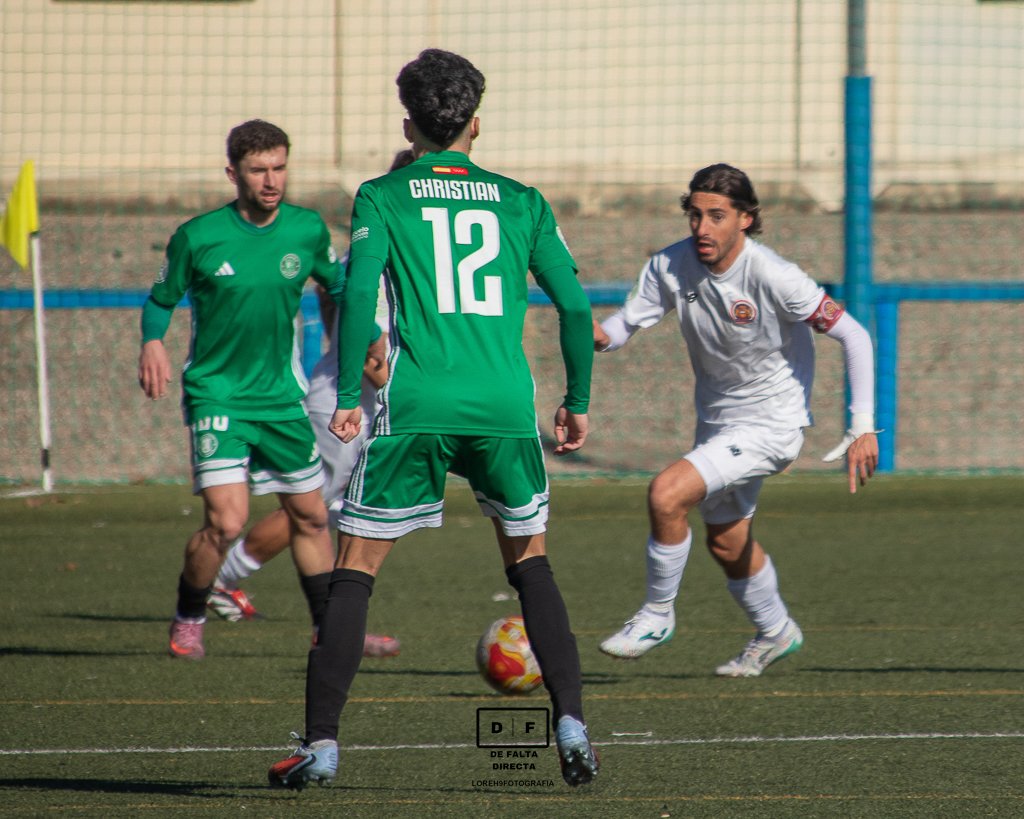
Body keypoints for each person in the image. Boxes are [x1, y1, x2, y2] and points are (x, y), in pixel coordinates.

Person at [267, 49, 599, 790]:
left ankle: (322, 745)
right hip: (505, 406)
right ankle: (573, 723)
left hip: (417, 403)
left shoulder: (382, 195)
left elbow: (357, 297)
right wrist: (576, 401)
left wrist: (347, 395)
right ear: (476, 123)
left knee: (355, 569)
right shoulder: (523, 201)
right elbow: (576, 309)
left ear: (408, 125)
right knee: (530, 564)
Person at [596, 163, 879, 677]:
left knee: (666, 494)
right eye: (695, 214)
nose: (702, 227)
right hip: (717, 422)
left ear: (745, 218)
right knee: (726, 542)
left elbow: (854, 335)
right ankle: (776, 631)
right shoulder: (669, 266)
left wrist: (862, 426)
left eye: (717, 216)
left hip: (772, 424)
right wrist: (597, 334)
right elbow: (624, 325)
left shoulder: (774, 275)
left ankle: (657, 615)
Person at [138, 119, 343, 661]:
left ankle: (331, 632)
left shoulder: (306, 229)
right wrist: (152, 343)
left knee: (312, 517)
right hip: (219, 396)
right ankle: (189, 617)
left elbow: (340, 285)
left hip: (282, 398)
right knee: (226, 523)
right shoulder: (199, 236)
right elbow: (161, 300)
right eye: (258, 170)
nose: (271, 180)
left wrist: (372, 338)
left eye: (279, 168)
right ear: (233, 173)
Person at [207, 151, 418, 660]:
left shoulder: (394, 256)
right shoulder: (375, 263)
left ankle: (339, 624)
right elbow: (365, 351)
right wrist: (410, 399)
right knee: (310, 510)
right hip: (347, 405)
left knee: (350, 515)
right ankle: (222, 579)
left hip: (372, 402)